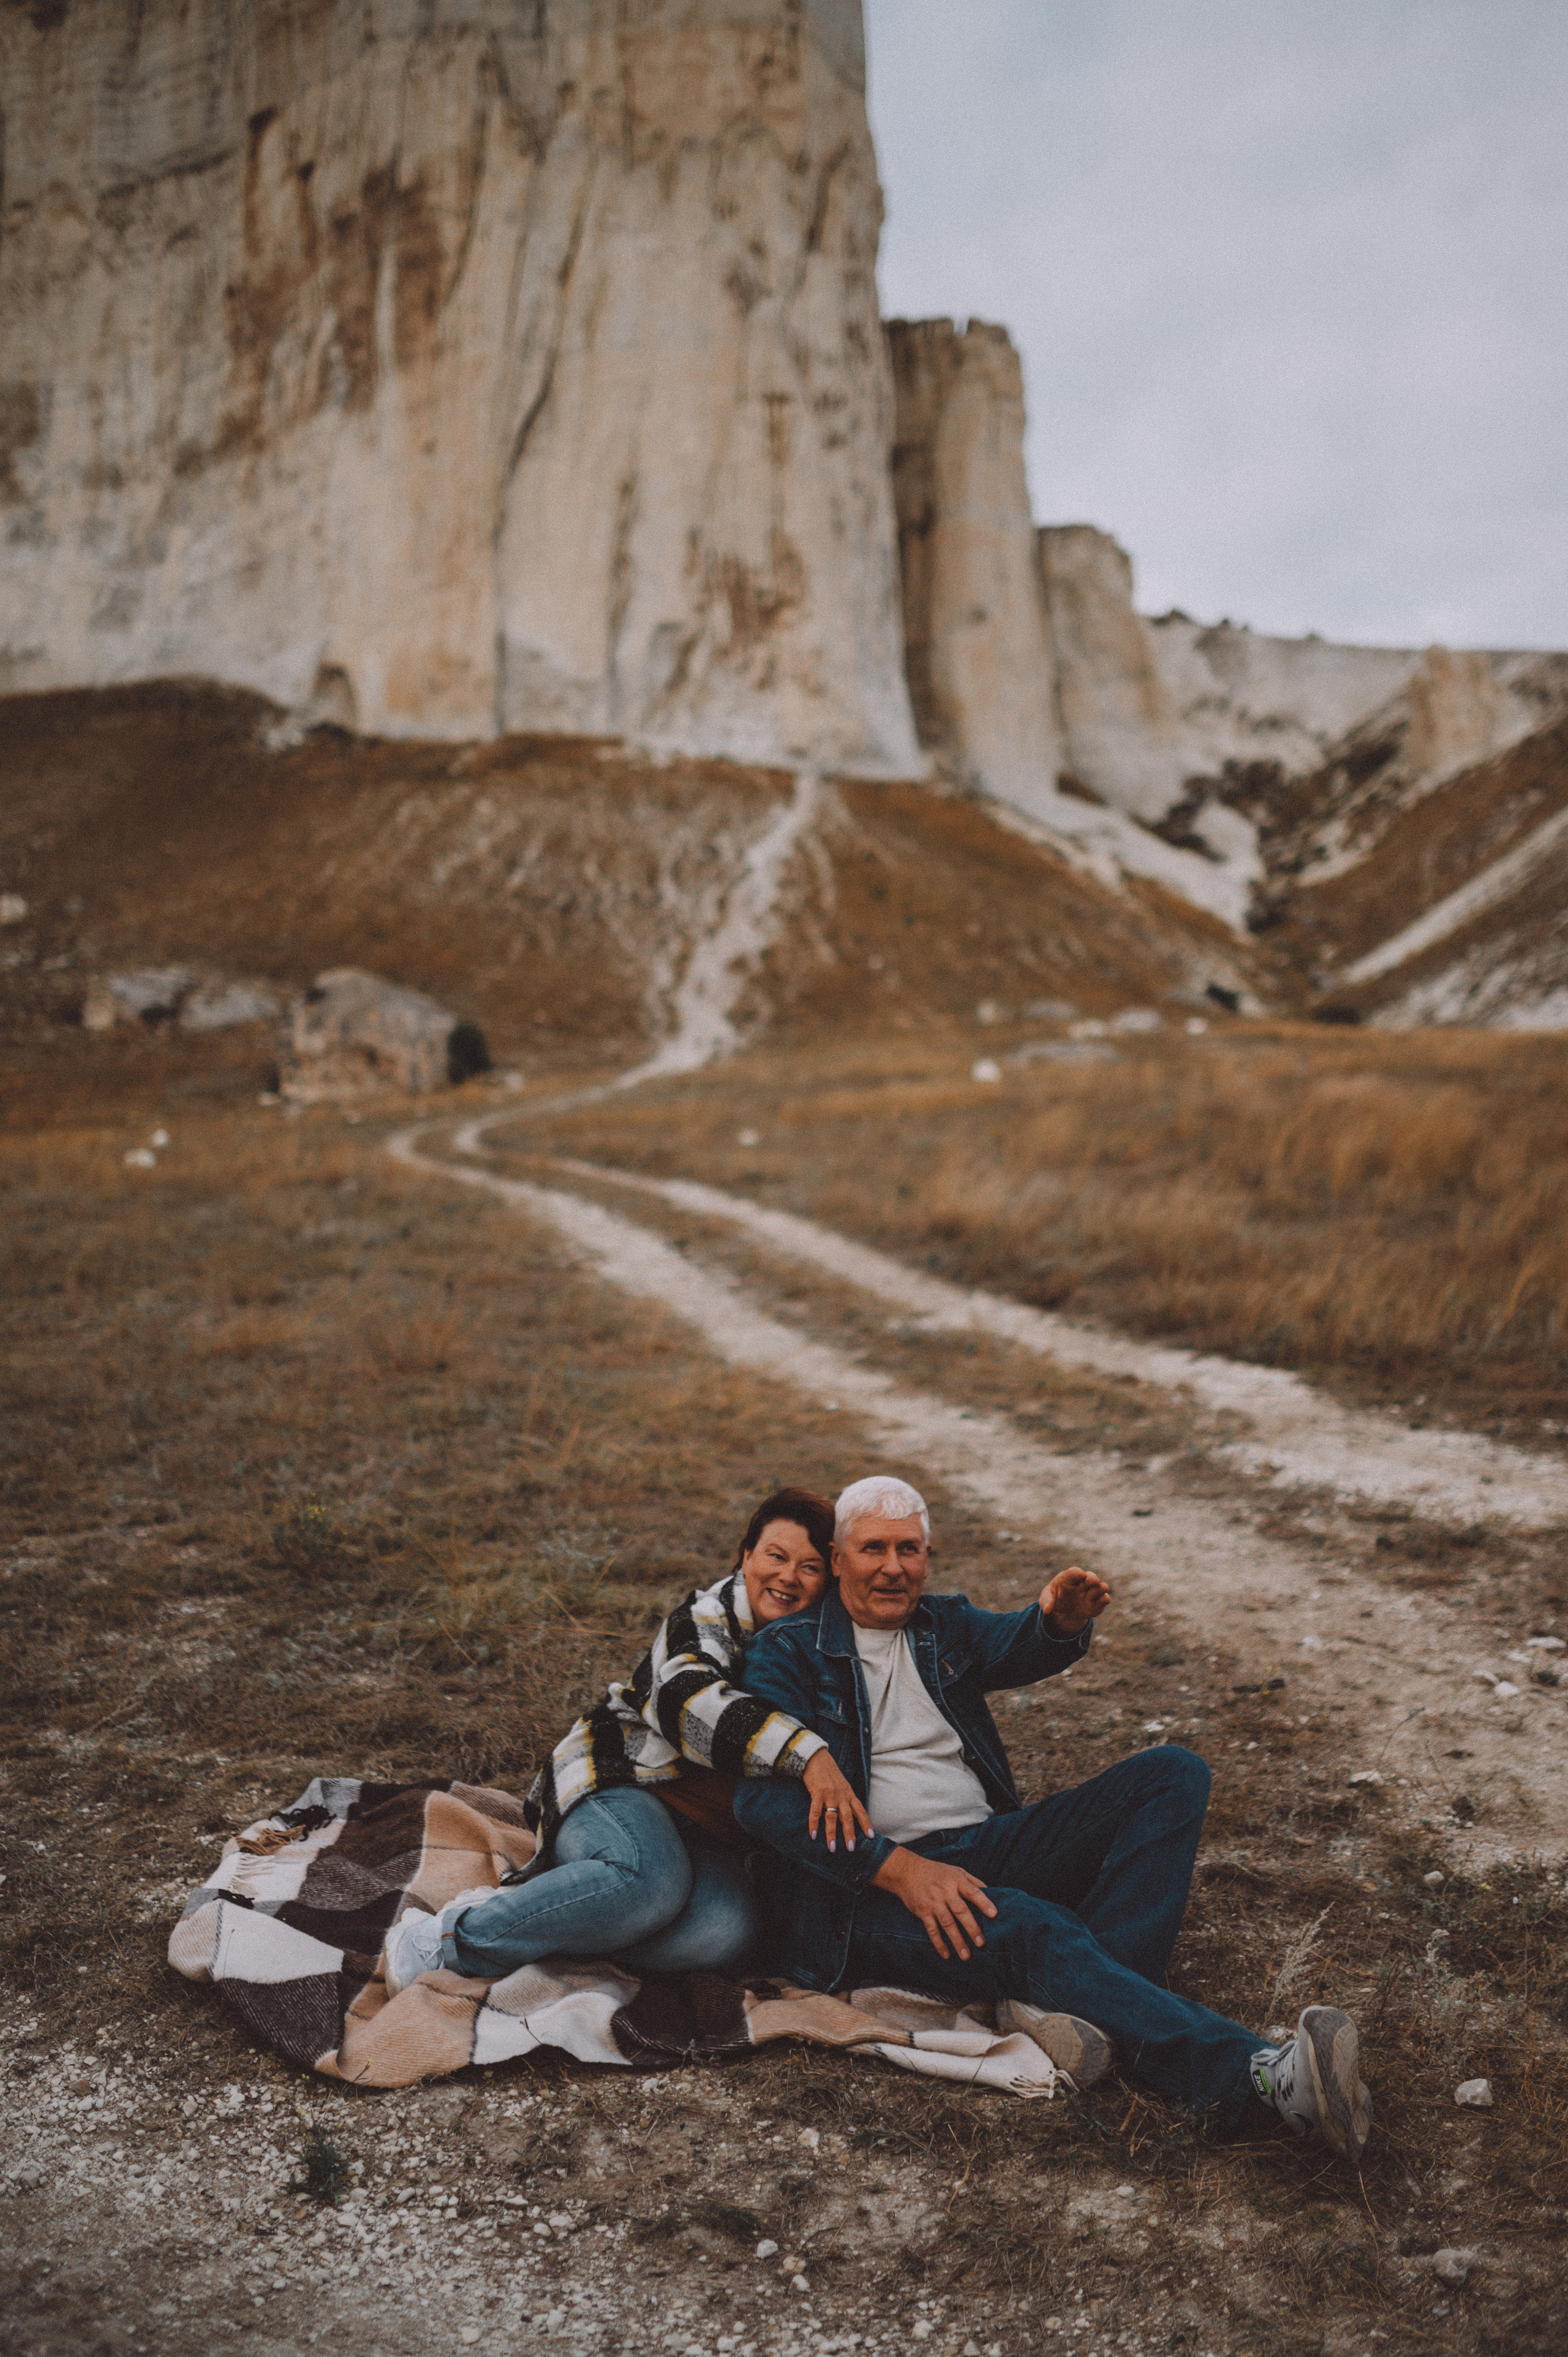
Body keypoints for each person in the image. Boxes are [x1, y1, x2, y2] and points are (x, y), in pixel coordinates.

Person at [734, 1475, 1373, 2160]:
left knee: (1172, 1773)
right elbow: (762, 1800)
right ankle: (1261, 2081)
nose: (894, 1567)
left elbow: (1015, 1643)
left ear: (928, 1554)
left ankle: (1084, 2009)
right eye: (873, 1549)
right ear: (837, 1560)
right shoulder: (789, 1652)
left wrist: (1057, 1619)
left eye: (910, 1549)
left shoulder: (938, 1623)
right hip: (863, 1896)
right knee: (1038, 1929)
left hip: (986, 1845)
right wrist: (897, 1868)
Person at [382, 1488, 871, 1992]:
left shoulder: (815, 1647)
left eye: (809, 1566)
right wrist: (806, 1753)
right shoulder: (706, 1617)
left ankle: (544, 1919)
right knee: (646, 1881)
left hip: (702, 1833)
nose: (788, 1576)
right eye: (776, 1556)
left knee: (725, 1935)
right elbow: (687, 1699)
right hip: (620, 1783)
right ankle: (452, 1936)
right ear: (747, 1557)